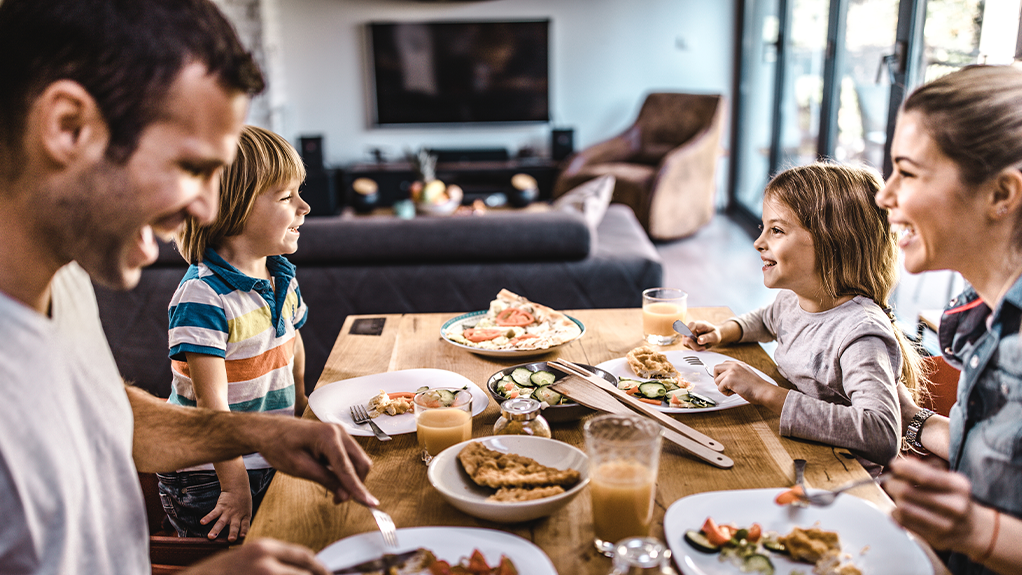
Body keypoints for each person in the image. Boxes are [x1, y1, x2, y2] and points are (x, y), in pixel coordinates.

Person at [0, 1, 376, 574]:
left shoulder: (64, 276)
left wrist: (259, 431)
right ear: (67, 127)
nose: (206, 206)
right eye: (191, 166)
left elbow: (102, 412)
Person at [682, 162, 925, 474]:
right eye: (763, 228)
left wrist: (767, 393)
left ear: (834, 242)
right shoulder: (794, 300)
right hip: (793, 451)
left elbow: (881, 433)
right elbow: (767, 319)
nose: (759, 243)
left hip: (839, 478)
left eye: (777, 230)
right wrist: (723, 332)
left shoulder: (860, 333)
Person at [876, 64, 1022, 575]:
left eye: (908, 172)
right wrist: (909, 414)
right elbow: (994, 453)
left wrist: (977, 531)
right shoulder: (980, 314)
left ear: (1001, 194)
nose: (884, 194)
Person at [157, 125, 311, 542]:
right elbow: (212, 406)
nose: (305, 207)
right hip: (212, 476)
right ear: (234, 208)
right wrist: (234, 486)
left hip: (266, 453)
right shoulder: (203, 295)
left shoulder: (280, 274)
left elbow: (290, 342)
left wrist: (301, 407)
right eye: (286, 197)